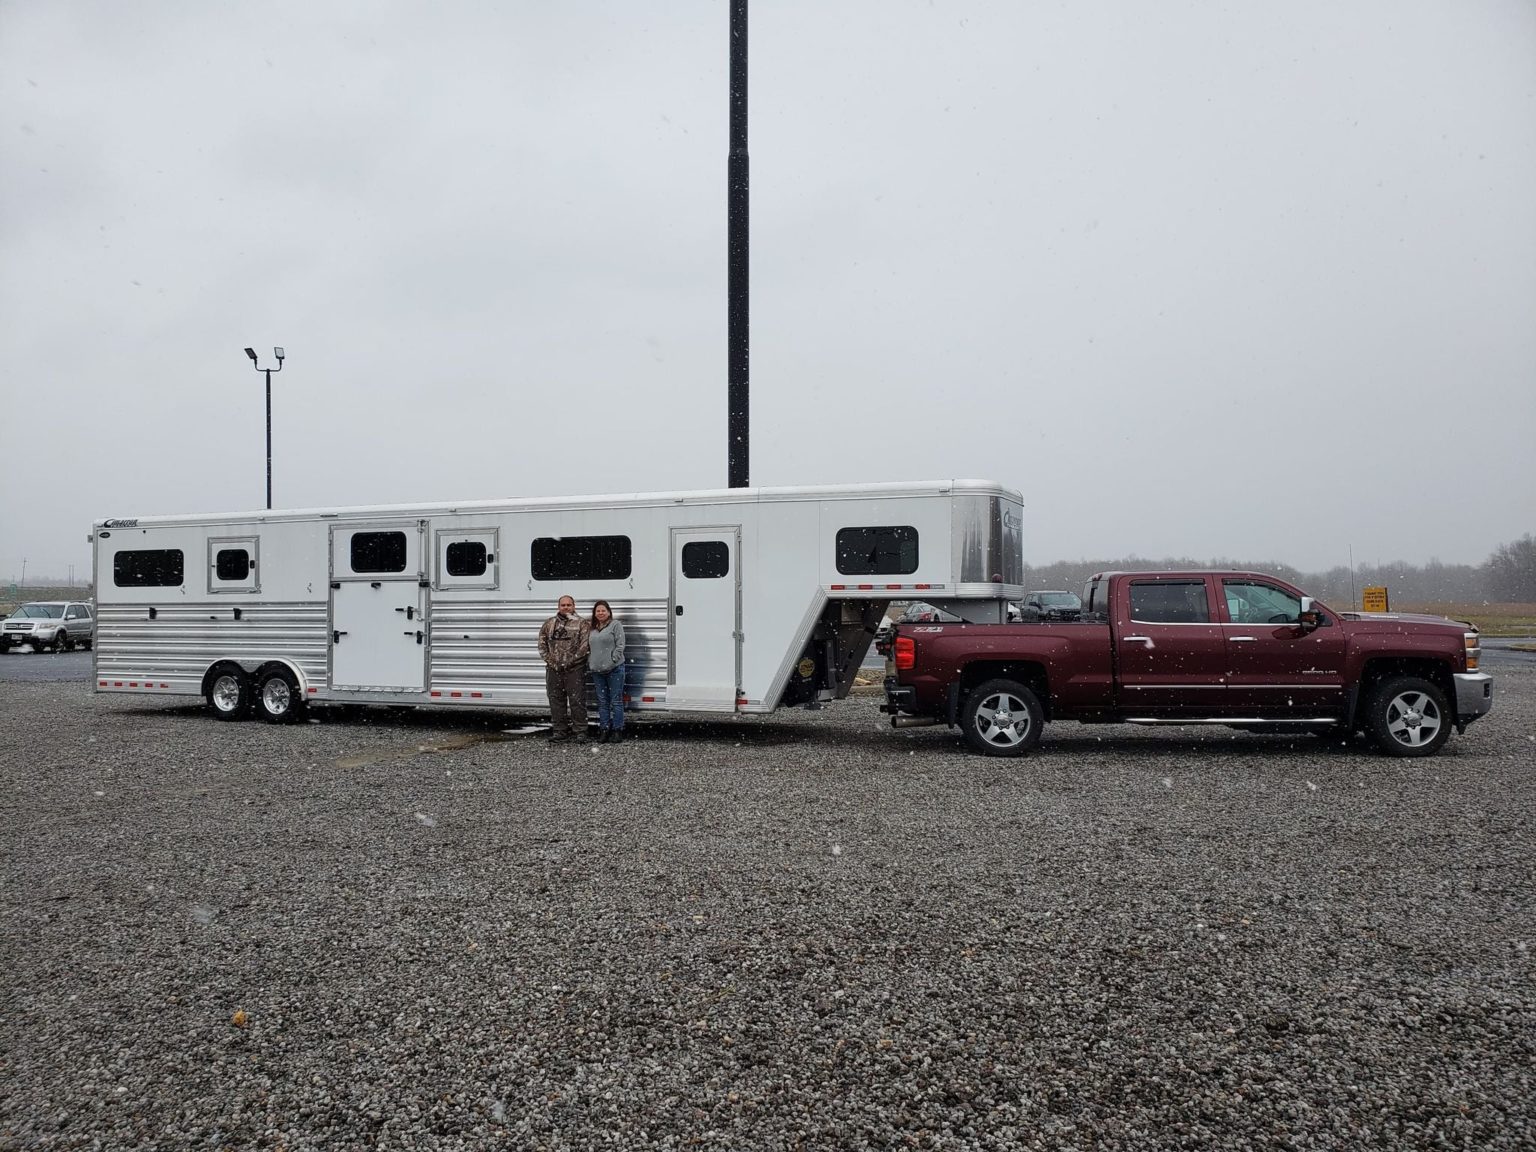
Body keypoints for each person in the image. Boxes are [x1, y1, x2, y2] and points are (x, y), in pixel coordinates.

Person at [538, 595, 590, 743]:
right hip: (553, 670)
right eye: (563, 605)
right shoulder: (549, 624)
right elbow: (542, 646)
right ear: (558, 606)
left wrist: (570, 662)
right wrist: (552, 662)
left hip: (575, 670)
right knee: (556, 700)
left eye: (569, 605)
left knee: (577, 701)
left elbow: (584, 646)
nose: (566, 607)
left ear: (574, 606)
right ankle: (560, 731)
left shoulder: (582, 623)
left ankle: (580, 731)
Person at [587, 599, 627, 743]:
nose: (600, 613)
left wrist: (613, 660)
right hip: (597, 671)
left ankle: (617, 730)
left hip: (614, 669)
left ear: (609, 612)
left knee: (616, 700)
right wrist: (591, 662)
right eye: (598, 611)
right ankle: (604, 729)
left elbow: (620, 644)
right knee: (603, 702)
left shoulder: (615, 625)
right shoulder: (591, 628)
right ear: (594, 613)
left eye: (603, 610)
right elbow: (588, 647)